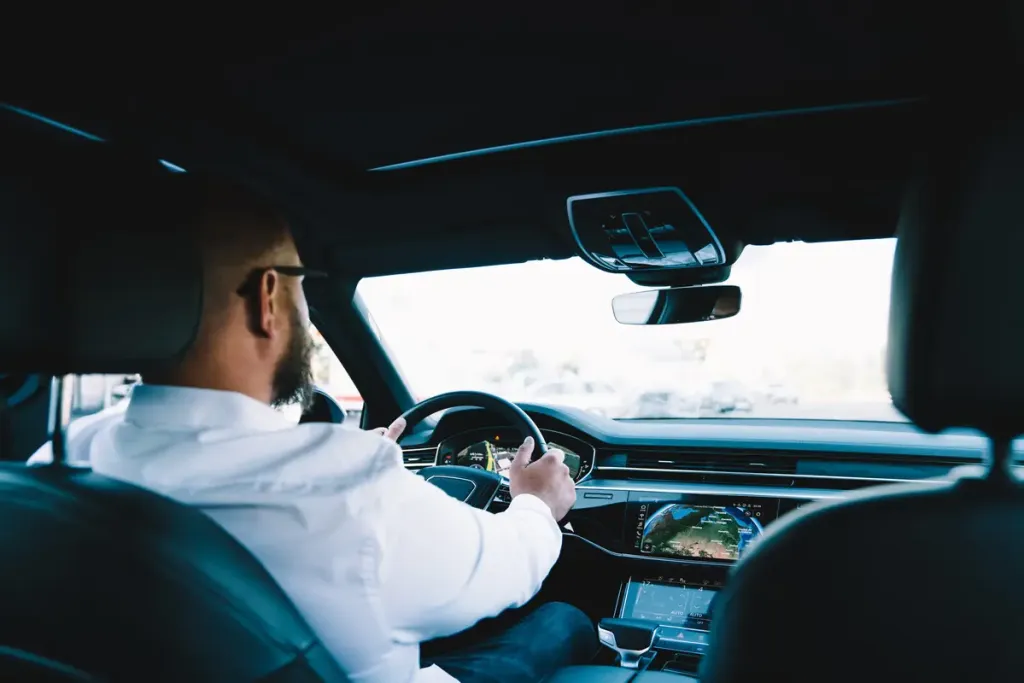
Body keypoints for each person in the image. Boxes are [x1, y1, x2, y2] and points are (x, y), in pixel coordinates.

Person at [28, 177, 597, 682]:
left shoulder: (58, 463)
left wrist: (365, 475)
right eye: (303, 281)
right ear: (269, 297)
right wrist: (536, 503)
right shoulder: (346, 494)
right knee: (560, 622)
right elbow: (508, 565)